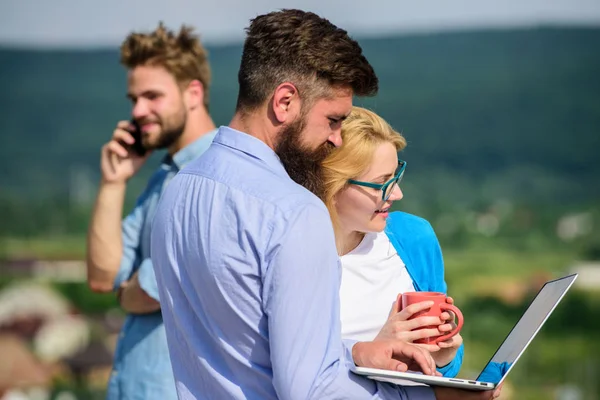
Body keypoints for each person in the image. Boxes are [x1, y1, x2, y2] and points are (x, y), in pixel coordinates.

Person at [151, 9, 502, 400]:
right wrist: (433, 397)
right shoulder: (294, 212)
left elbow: (250, 347)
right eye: (333, 120)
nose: (336, 138)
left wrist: (354, 353)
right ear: (284, 101)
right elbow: (310, 390)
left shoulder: (178, 191)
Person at [85, 22, 217, 400]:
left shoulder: (212, 174)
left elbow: (156, 289)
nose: (138, 110)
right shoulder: (162, 176)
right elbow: (102, 275)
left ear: (193, 92)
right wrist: (114, 182)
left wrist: (126, 293)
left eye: (152, 96)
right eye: (133, 99)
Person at [321, 107, 464, 377]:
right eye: (381, 183)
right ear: (332, 182)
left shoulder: (413, 237)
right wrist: (372, 350)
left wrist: (444, 357)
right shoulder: (292, 257)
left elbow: (444, 369)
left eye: (396, 176)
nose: (397, 193)